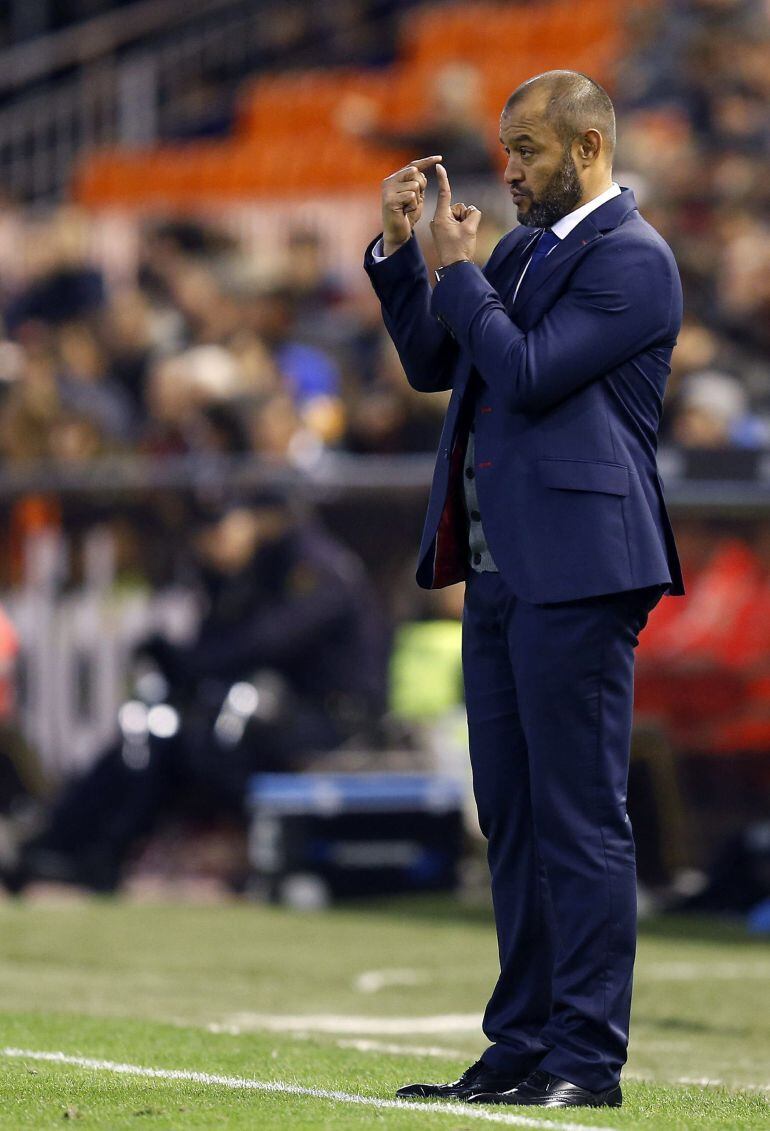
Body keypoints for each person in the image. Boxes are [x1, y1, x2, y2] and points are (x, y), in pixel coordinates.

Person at [364, 70, 684, 1109]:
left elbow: (534, 369)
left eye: (530, 149)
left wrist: (463, 277)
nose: (508, 168)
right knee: (509, 814)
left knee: (578, 819)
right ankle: (519, 1046)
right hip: (501, 568)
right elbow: (432, 362)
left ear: (588, 147)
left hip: (585, 569)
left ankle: (584, 1061)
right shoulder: (517, 250)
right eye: (506, 147)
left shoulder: (635, 261)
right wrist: (409, 255)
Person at [4, 491, 387, 893]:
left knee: (186, 740)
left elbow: (266, 642)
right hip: (278, 713)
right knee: (147, 732)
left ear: (255, 521)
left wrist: (186, 662)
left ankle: (104, 854)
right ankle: (57, 843)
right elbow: (220, 649)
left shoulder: (309, 564)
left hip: (333, 721)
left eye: (220, 529)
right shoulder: (248, 572)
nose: (211, 543)